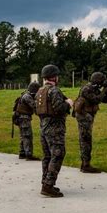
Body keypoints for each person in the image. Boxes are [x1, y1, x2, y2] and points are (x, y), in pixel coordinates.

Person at [35, 65, 73, 197]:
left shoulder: (40, 91)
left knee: (47, 156)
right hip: (54, 128)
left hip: (43, 127)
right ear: (54, 77)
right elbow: (59, 109)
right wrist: (68, 103)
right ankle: (48, 185)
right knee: (57, 154)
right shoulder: (54, 91)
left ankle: (46, 182)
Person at [74, 72, 107, 173]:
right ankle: (85, 165)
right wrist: (105, 89)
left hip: (88, 116)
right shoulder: (87, 89)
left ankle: (85, 164)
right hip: (84, 116)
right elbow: (96, 99)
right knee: (85, 140)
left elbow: (104, 100)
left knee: (86, 139)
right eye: (102, 80)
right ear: (97, 80)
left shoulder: (94, 88)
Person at [13, 81, 41, 160]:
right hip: (23, 118)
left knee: (23, 136)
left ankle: (22, 153)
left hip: (22, 117)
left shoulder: (26, 95)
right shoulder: (27, 96)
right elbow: (34, 106)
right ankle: (29, 154)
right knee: (27, 136)